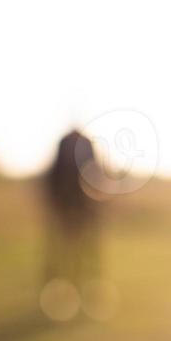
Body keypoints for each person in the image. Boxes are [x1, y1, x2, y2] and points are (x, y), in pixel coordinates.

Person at [40, 128, 102, 319]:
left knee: (83, 255)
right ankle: (62, 295)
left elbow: (96, 182)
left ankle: (86, 293)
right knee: (63, 254)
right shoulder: (73, 154)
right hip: (67, 212)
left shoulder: (78, 153)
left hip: (82, 212)